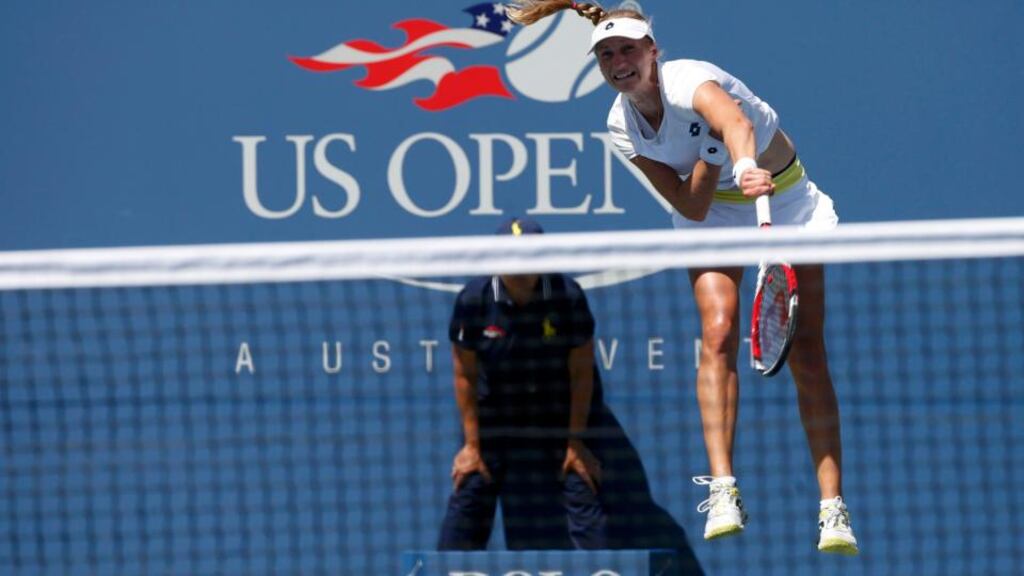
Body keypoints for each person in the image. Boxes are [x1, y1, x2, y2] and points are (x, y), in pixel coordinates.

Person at [507, 1, 859, 556]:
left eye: (628, 50)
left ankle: (832, 508)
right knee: (717, 334)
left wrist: (742, 162)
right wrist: (715, 161)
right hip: (716, 207)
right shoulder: (620, 127)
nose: (618, 62)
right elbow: (690, 205)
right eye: (606, 55)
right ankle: (723, 489)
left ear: (653, 52)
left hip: (781, 197)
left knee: (808, 353)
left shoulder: (688, 79)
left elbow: (737, 122)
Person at [437, 217, 704, 576]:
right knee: (470, 489)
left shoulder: (566, 296)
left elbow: (581, 373)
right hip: (496, 419)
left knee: (582, 487)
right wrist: (471, 444)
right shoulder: (474, 300)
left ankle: (598, 569)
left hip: (559, 413)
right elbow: (464, 375)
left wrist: (575, 441)